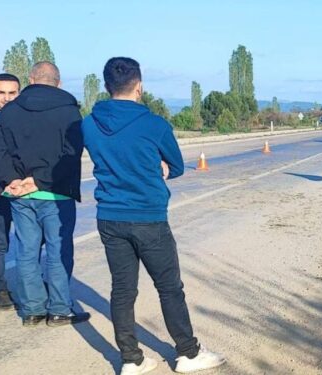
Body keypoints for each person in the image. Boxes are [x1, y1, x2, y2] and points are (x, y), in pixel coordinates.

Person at [82, 57, 225, 375]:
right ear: (139, 86)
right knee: (169, 288)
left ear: (106, 87)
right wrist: (158, 167)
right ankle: (188, 353)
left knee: (122, 289)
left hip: (109, 217)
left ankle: (131, 360)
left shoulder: (89, 124)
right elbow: (174, 165)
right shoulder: (155, 124)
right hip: (148, 217)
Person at [0, 62, 89, 326]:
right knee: (58, 251)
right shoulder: (69, 111)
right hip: (56, 194)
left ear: (31, 80)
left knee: (27, 251)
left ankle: (32, 310)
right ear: (58, 82)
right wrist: (41, 180)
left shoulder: (9, 112)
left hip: (19, 195)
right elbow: (72, 152)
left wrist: (11, 179)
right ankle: (59, 309)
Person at [0, 73, 20, 310]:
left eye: (12, 93)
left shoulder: (22, 119)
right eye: (1, 93)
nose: (6, 98)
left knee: (10, 242)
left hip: (15, 190)